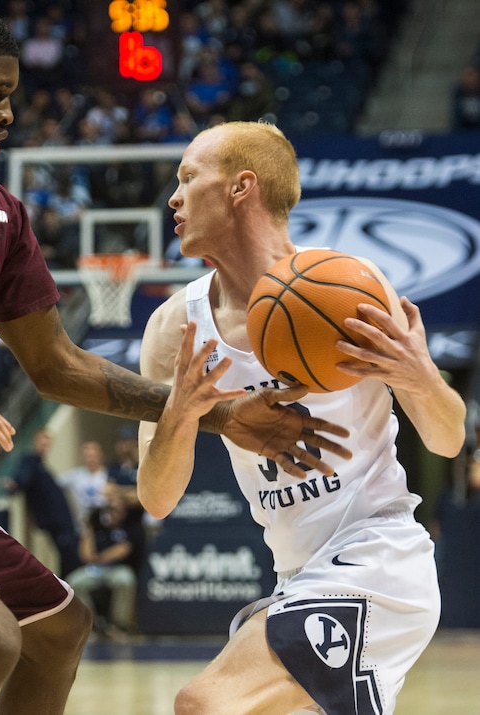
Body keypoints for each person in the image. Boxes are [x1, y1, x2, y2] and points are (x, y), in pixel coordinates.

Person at [0, 0, 350, 710]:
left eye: (12, 97)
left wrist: (222, 413)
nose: (9, 115)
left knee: (58, 626)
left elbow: (59, 365)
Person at [136, 120, 467, 715]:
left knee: (204, 703)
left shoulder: (347, 292)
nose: (174, 197)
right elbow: (156, 498)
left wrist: (418, 375)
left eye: (189, 178)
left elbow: (447, 440)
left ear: (241, 187)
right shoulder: (174, 328)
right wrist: (183, 413)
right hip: (297, 576)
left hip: (380, 554)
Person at [3, 428, 82, 578]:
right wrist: (14, 485)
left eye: (47, 442)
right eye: (41, 441)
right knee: (70, 557)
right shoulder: (30, 461)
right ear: (35, 442)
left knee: (70, 557)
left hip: (62, 522)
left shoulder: (42, 466)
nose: (44, 445)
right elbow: (22, 479)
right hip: (54, 522)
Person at [65, 492, 143, 636]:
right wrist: (88, 528)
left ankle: (119, 625)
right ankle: (91, 624)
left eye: (118, 509)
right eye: (111, 509)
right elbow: (86, 556)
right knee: (74, 581)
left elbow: (122, 549)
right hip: (95, 570)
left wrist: (99, 558)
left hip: (117, 568)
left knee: (125, 580)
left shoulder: (128, 528)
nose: (114, 513)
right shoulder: (97, 527)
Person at [57, 440, 110, 532]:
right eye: (88, 456)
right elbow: (55, 485)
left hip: (106, 527)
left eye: (93, 456)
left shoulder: (108, 475)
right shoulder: (75, 476)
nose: (91, 459)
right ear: (82, 458)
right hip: (82, 528)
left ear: (100, 456)